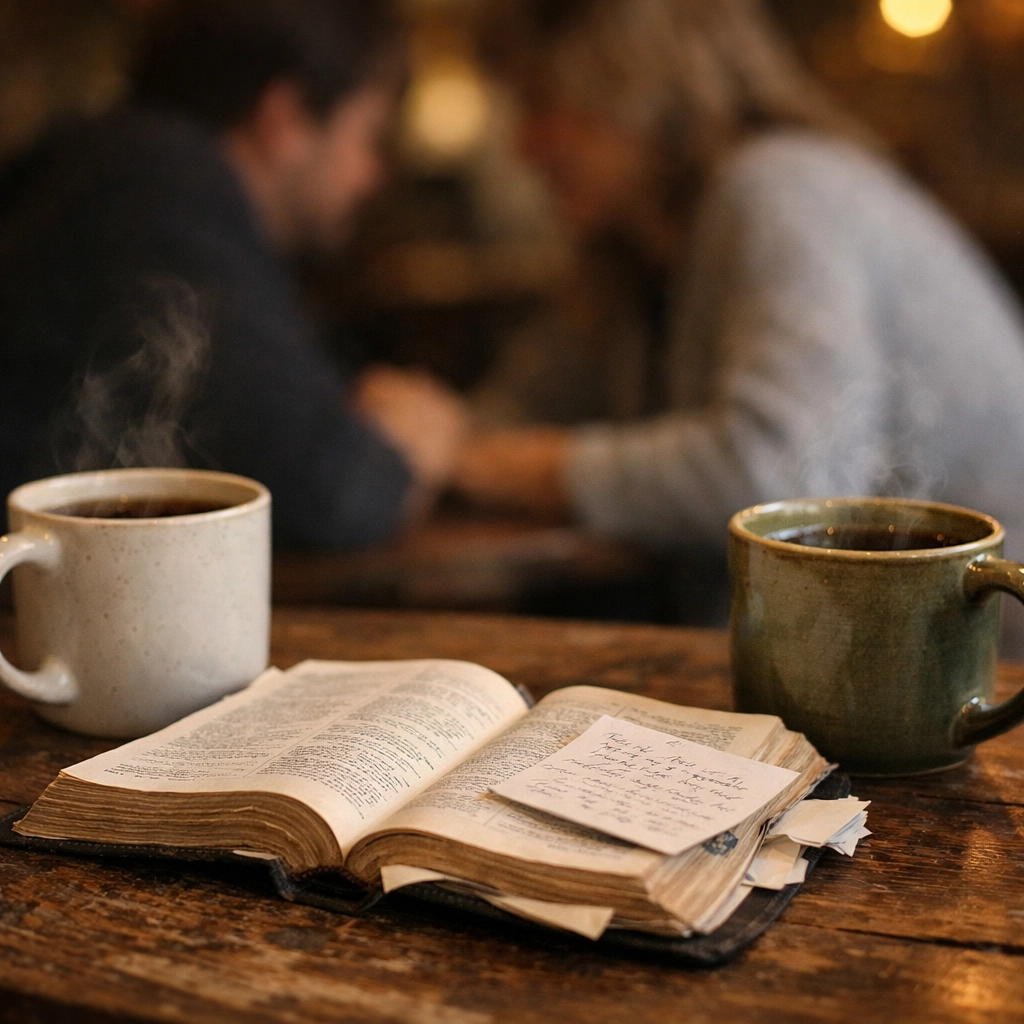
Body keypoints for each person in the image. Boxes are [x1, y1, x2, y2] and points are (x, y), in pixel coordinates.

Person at [457, 0, 1024, 651]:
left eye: (541, 104)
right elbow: (512, 408)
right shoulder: (637, 256)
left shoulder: (779, 189)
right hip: (874, 657)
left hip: (985, 672)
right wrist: (441, 436)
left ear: (640, 88)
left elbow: (782, 476)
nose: (521, 148)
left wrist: (497, 464)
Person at [0, 0, 465, 547]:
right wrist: (418, 445)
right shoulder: (164, 189)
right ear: (285, 119)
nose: (373, 176)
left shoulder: (119, 165)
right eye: (369, 135)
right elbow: (330, 492)